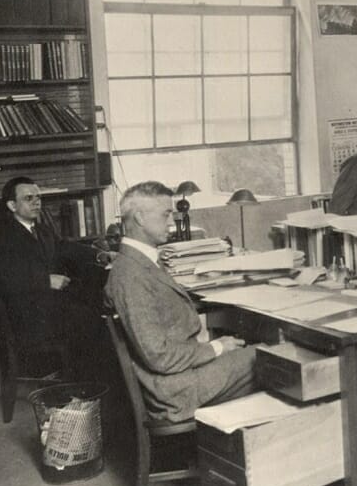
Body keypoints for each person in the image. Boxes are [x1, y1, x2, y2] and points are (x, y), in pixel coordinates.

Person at [104, 181, 256, 423]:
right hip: (174, 391)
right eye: (165, 214)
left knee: (254, 349)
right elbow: (158, 356)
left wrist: (215, 346)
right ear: (141, 218)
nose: (172, 221)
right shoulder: (130, 275)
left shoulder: (139, 262)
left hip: (178, 375)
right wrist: (216, 348)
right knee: (272, 359)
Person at [0, 176, 106, 376]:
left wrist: (99, 254)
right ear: (12, 205)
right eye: (28, 198)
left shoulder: (42, 230)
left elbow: (64, 247)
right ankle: (81, 385)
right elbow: (0, 281)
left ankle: (92, 381)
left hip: (49, 306)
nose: (36, 202)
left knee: (97, 300)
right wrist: (45, 280)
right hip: (27, 316)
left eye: (38, 197)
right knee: (90, 319)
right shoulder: (2, 238)